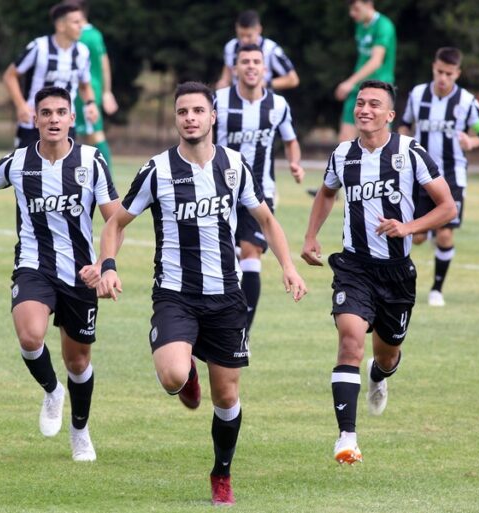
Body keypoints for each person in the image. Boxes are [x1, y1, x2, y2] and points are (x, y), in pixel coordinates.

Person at [80, 82, 307, 505]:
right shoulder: (158, 170)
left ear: (212, 116)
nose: (190, 118)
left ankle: (222, 472)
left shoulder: (234, 165)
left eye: (198, 111)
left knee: (227, 397)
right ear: (176, 118)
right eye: (183, 111)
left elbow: (266, 220)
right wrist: (107, 265)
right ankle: (186, 373)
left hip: (226, 297)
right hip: (175, 295)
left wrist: (288, 267)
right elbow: (115, 223)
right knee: (172, 375)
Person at [0, 86, 119, 462]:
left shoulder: (91, 160)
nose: (53, 119)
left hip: (81, 274)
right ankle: (52, 390)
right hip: (34, 266)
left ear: (72, 119)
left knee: (78, 362)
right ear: (35, 119)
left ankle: (79, 431)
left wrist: (103, 264)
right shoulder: (18, 162)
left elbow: (115, 220)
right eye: (46, 113)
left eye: (60, 112)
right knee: (30, 337)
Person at [300, 80, 456, 465]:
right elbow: (327, 193)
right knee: (350, 341)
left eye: (374, 104)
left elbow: (447, 207)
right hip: (354, 267)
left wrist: (408, 227)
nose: (364, 110)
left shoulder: (410, 152)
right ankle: (347, 438)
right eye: (360, 103)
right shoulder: (342, 154)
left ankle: (379, 376)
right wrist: (310, 236)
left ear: (390, 115)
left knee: (386, 357)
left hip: (397, 273)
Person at [214, 43, 304, 333]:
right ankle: (217, 324)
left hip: (260, 191)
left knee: (252, 252)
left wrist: (295, 163)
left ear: (265, 69)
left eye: (256, 61)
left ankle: (243, 332)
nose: (251, 66)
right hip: (219, 193)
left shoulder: (278, 105)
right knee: (223, 259)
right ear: (235, 68)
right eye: (245, 61)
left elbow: (290, 140)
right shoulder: (218, 101)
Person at [398, 47, 479, 307]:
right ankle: (427, 232)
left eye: (449, 74)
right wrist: (403, 141)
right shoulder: (418, 95)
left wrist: (472, 142)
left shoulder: (466, 102)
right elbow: (404, 123)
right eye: (439, 72)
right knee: (417, 237)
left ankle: (436, 290)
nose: (443, 78)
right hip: (419, 174)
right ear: (433, 67)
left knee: (445, 235)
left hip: (452, 175)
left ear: (457, 73)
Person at [3, 2, 99, 149]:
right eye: (76, 22)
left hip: (66, 123)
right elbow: (10, 75)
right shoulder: (39, 47)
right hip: (34, 122)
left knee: (65, 163)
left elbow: (85, 86)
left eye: (82, 22)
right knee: (27, 163)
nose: (81, 26)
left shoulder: (83, 52)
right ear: (60, 26)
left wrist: (91, 104)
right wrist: (21, 105)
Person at [335, 0, 396, 143]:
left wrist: (349, 82)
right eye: (351, 9)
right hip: (359, 88)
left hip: (379, 89)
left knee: (379, 141)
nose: (352, 13)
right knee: (345, 139)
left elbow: (376, 61)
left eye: (356, 9)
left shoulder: (384, 26)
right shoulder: (360, 25)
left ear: (369, 4)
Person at [70, 0, 119, 166]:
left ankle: (107, 178)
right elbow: (104, 62)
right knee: (81, 136)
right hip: (85, 90)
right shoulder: (94, 34)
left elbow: (103, 63)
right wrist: (106, 92)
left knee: (94, 134)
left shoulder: (86, 36)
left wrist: (107, 92)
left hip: (85, 92)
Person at [215, 10, 299, 92]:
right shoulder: (230, 46)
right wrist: (222, 84)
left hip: (262, 98)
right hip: (236, 97)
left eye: (249, 36)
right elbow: (227, 75)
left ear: (258, 30)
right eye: (241, 35)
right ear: (236, 28)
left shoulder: (271, 49)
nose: (244, 40)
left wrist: (263, 84)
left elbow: (293, 79)